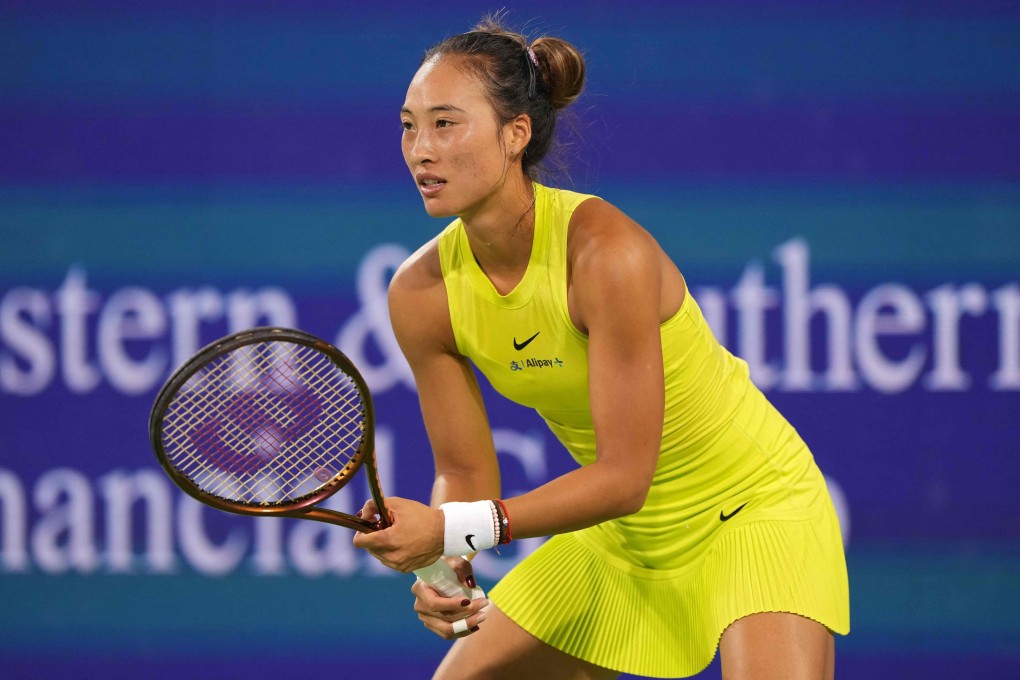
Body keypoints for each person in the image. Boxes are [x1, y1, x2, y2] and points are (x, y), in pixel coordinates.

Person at [353, 15, 850, 680]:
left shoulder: (603, 253)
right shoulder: (420, 293)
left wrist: (450, 528)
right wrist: (447, 564)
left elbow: (623, 478)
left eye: (446, 123)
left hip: (753, 512)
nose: (420, 149)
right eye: (409, 125)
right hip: (623, 541)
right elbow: (466, 474)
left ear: (515, 135)